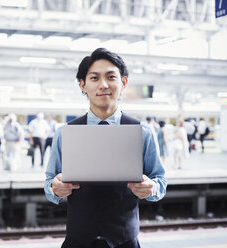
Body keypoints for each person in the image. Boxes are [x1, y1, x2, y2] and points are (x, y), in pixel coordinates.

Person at [44, 48, 167, 248]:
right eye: (94, 78)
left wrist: (151, 188)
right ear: (83, 85)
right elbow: (50, 182)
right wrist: (55, 189)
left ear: (123, 82)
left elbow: (160, 181)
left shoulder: (142, 132)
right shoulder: (65, 133)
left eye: (111, 77)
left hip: (125, 241)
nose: (103, 85)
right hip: (77, 241)